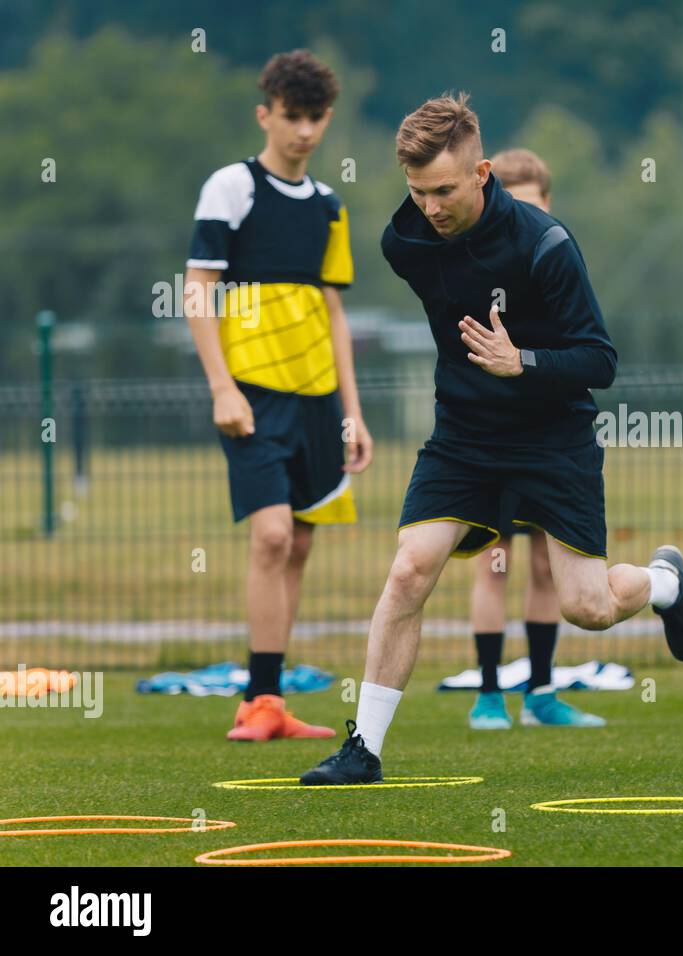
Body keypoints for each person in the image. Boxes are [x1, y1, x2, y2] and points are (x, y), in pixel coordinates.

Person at [299, 93, 683, 785]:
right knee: (409, 570)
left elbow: (600, 361)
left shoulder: (546, 244)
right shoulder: (405, 243)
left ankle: (665, 582)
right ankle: (363, 749)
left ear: (483, 171)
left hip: (553, 439)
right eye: (418, 191)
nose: (431, 206)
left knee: (589, 608)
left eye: (446, 190)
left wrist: (524, 362)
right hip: (465, 435)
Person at [182, 49, 370, 742]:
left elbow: (333, 312)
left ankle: (273, 704)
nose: (306, 132)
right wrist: (220, 386)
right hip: (252, 398)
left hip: (321, 399)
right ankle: (257, 700)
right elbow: (197, 288)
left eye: (317, 118)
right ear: (266, 114)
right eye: (293, 118)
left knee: (298, 549)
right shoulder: (231, 187)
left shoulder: (330, 207)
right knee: (270, 535)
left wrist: (353, 413)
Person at [467, 147, 605, 729]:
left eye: (533, 206)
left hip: (551, 439)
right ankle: (489, 695)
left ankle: (542, 693)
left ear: (548, 206)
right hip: (490, 434)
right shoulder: (475, 264)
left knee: (551, 569)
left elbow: (593, 354)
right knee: (492, 563)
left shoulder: (557, 258)